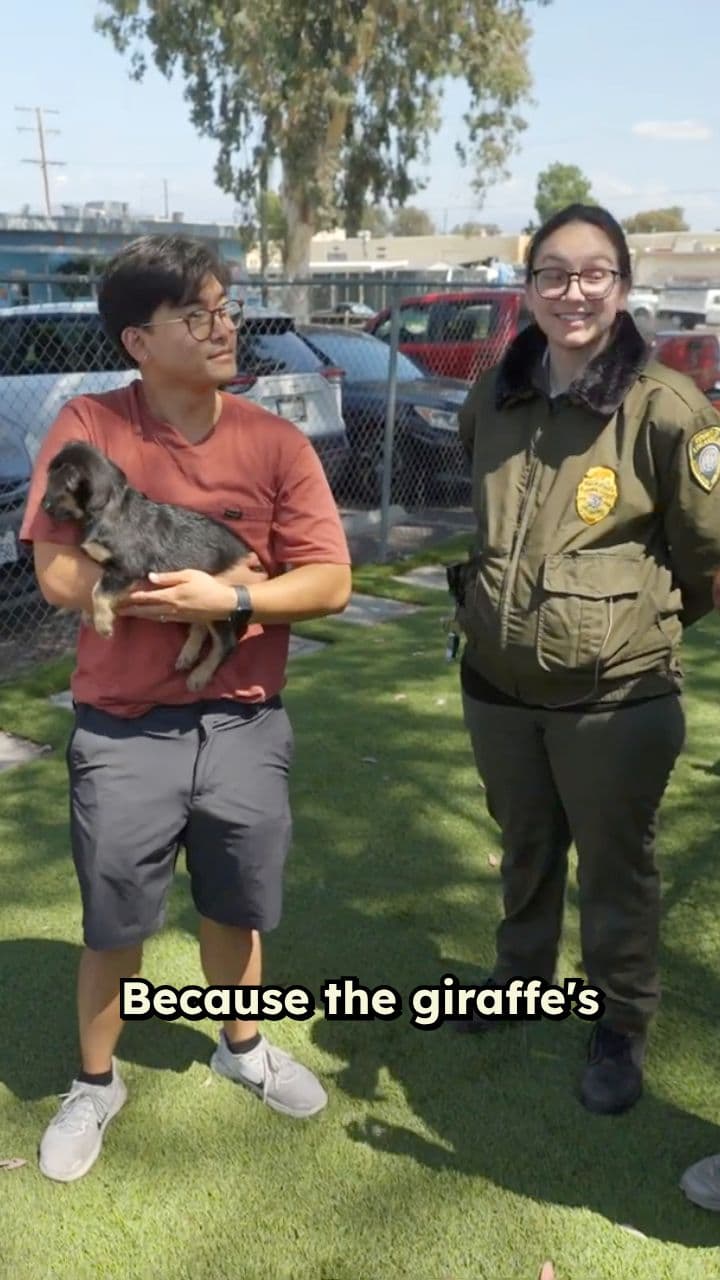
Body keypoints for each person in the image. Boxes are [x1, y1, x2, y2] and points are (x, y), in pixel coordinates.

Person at [19, 234, 352, 1182]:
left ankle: (240, 1047)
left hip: (243, 717)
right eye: (198, 313)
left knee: (237, 907)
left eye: (225, 308)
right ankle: (96, 1084)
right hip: (123, 727)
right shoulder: (90, 424)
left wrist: (233, 601)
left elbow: (330, 581)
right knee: (113, 922)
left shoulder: (273, 441)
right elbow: (52, 571)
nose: (224, 326)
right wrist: (156, 580)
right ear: (138, 338)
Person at [451, 203, 720, 1114]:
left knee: (614, 869)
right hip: (495, 684)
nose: (573, 292)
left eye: (593, 273)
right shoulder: (494, 392)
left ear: (623, 285)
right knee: (525, 848)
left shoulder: (667, 408)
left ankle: (620, 1022)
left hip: (618, 697)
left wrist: (631, 621)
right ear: (528, 288)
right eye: (553, 274)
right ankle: (519, 979)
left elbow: (706, 552)